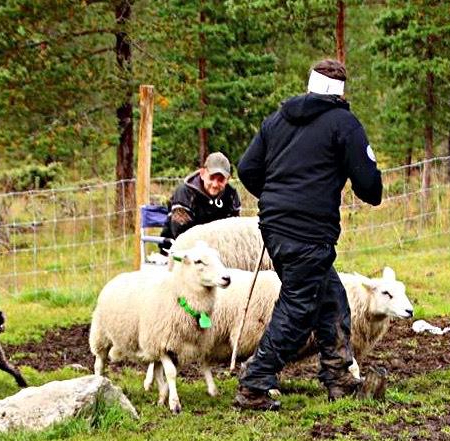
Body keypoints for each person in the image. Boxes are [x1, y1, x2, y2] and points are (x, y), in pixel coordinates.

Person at [234, 58, 383, 411]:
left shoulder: (278, 119)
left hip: (274, 227)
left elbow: (247, 168)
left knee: (331, 299)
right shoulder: (343, 124)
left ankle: (340, 378)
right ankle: (255, 382)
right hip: (309, 232)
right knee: (298, 307)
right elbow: (369, 188)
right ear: (341, 91)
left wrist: (276, 199)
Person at [159, 151, 241, 252]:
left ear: (228, 179)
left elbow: (234, 229)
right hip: (179, 249)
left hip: (218, 251)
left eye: (221, 180)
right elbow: (180, 232)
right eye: (211, 177)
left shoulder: (232, 195)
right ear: (202, 174)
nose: (215, 184)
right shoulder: (185, 192)